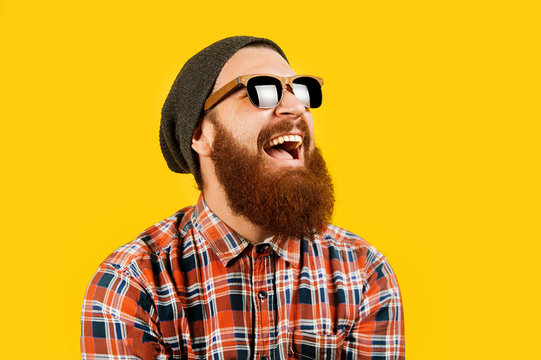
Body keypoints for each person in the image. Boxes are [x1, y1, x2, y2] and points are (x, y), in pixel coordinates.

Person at [81, 36, 405, 360]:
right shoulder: (133, 284)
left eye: (300, 90)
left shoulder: (362, 273)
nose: (295, 107)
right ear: (200, 134)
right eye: (262, 90)